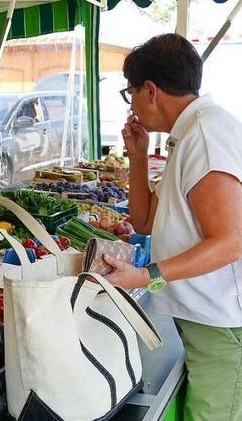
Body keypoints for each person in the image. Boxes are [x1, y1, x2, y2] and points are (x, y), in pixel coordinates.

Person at [102, 33, 242, 420]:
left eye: (128, 92)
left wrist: (147, 275)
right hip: (205, 321)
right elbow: (145, 221)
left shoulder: (206, 135)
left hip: (224, 326)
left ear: (149, 90)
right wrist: (139, 158)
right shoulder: (189, 134)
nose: (129, 103)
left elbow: (231, 241)